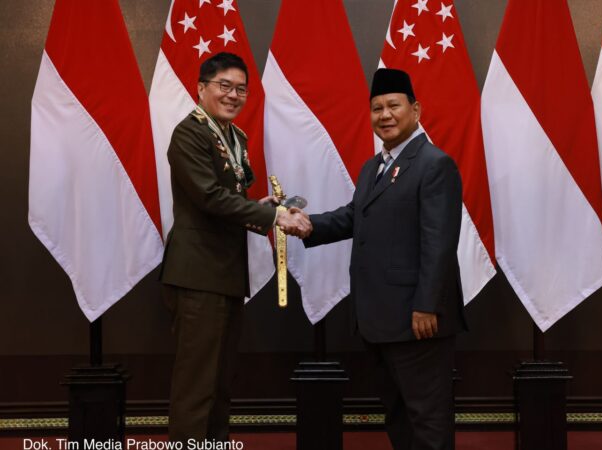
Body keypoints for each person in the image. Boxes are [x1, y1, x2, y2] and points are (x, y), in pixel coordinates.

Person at [303, 68, 466, 450]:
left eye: (394, 105)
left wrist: (427, 305)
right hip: (379, 319)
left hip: (417, 319)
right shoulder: (373, 167)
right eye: (377, 108)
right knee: (397, 416)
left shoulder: (434, 164)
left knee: (428, 421)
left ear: (415, 110)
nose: (385, 115)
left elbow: (439, 243)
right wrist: (306, 224)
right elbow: (353, 217)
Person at [159, 52, 310, 441]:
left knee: (220, 382)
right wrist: (274, 217)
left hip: (225, 272)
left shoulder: (234, 136)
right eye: (224, 86)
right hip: (197, 274)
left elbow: (231, 200)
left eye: (241, 89)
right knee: (196, 386)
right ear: (201, 88)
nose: (233, 95)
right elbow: (209, 197)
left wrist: (263, 207)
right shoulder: (189, 134)